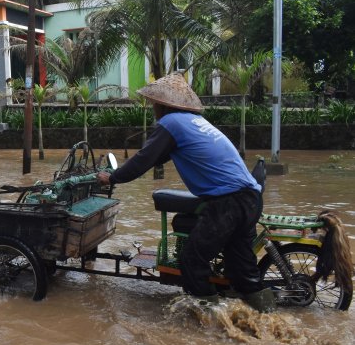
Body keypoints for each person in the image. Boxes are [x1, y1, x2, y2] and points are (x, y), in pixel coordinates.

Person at [97, 73, 275, 312]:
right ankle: (266, 315)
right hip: (250, 199)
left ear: (162, 105)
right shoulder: (195, 122)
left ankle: (211, 318)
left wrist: (113, 177)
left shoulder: (170, 124)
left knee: (192, 259)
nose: (153, 109)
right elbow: (158, 157)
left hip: (227, 203)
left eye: (154, 105)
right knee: (242, 267)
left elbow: (143, 160)